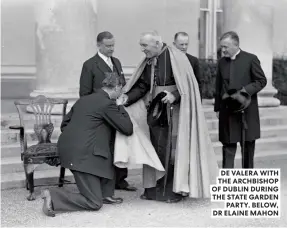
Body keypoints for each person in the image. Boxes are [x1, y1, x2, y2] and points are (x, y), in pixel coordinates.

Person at [118, 31, 219, 203]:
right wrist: (128, 98)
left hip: (175, 111)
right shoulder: (149, 60)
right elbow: (142, 84)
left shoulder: (177, 57)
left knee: (172, 150)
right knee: (154, 147)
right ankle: (152, 190)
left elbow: (187, 85)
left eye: (145, 46)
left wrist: (174, 95)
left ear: (157, 43)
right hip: (154, 112)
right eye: (141, 45)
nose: (142, 49)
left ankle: (172, 190)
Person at [41, 72, 133, 217]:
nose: (121, 93)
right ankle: (53, 196)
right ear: (117, 87)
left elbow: (65, 124)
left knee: (106, 151)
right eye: (121, 90)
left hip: (68, 148)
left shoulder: (84, 99)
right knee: (94, 203)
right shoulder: (108, 104)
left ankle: (106, 194)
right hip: (82, 156)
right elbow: (127, 129)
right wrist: (120, 106)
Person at [79, 31, 136, 191]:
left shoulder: (116, 62)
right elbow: (84, 93)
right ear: (98, 45)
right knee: (106, 147)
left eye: (113, 45)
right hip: (100, 114)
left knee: (120, 144)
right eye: (108, 46)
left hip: (116, 111)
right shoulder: (90, 65)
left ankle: (121, 180)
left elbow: (122, 84)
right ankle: (106, 182)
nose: (111, 49)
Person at [214, 31, 267, 169]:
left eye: (226, 47)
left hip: (247, 112)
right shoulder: (221, 62)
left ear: (236, 45)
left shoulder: (251, 59)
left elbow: (261, 81)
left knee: (248, 151)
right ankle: (227, 185)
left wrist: (244, 91)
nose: (223, 50)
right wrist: (218, 108)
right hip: (227, 112)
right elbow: (218, 86)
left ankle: (247, 184)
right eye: (222, 47)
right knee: (228, 149)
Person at [173, 32, 202, 98]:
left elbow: (198, 84)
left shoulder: (193, 60)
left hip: (189, 97)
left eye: (186, 44)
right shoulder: (169, 60)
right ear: (174, 44)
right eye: (181, 44)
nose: (184, 47)